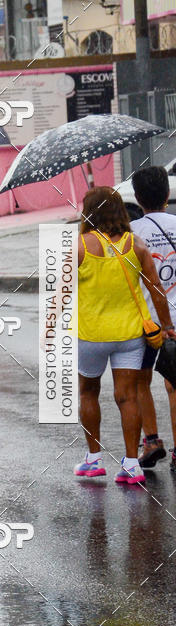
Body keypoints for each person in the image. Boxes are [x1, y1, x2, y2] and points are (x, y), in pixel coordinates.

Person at [75, 187, 176, 485]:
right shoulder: (137, 245)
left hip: (91, 334)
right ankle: (132, 464)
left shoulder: (77, 247)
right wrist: (167, 326)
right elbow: (156, 289)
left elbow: (61, 292)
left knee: (88, 392)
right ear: (120, 210)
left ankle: (93, 460)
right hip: (131, 334)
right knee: (127, 396)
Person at [130, 166, 176, 470]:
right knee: (175, 386)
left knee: (139, 381)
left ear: (137, 198)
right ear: (168, 195)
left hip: (147, 321)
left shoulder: (132, 233)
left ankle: (152, 441)